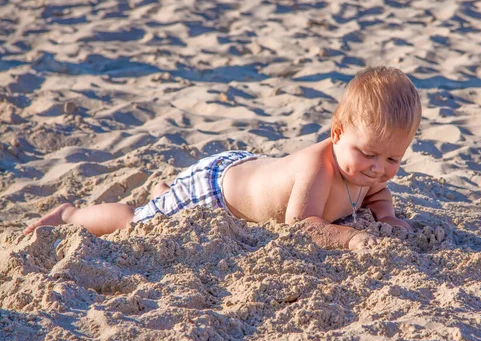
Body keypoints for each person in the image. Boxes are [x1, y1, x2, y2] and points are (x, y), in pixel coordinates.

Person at [24, 66, 421, 250]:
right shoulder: (318, 167)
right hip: (216, 191)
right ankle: (71, 215)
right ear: (337, 133)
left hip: (248, 170)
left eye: (393, 159)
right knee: (137, 220)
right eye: (369, 154)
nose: (377, 168)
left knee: (165, 202)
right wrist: (351, 238)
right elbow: (302, 225)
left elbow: (376, 193)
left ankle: (168, 190)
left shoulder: (370, 168)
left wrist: (385, 215)